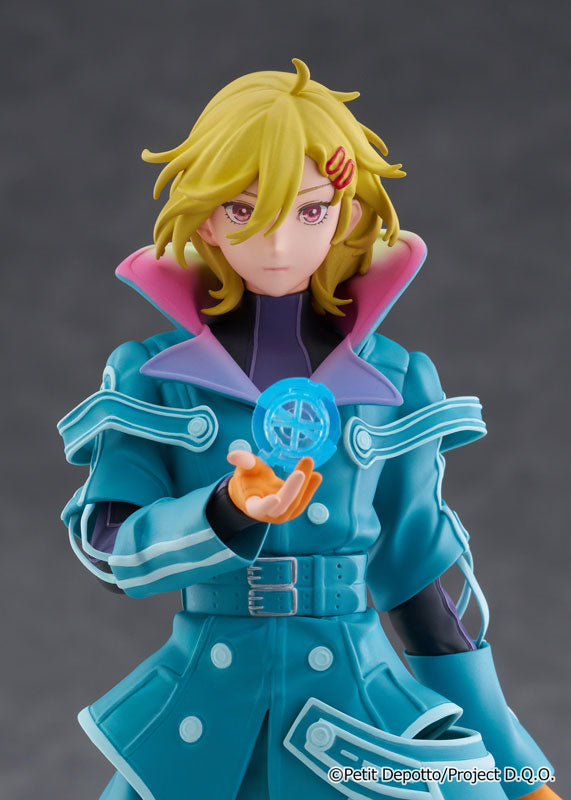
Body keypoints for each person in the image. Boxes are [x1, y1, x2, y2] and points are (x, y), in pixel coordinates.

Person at [58, 59, 561, 800]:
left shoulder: (393, 380)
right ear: (204, 217)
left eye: (311, 212)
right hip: (206, 708)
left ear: (348, 215)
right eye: (243, 210)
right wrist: (225, 510)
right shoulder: (153, 376)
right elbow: (110, 551)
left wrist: (518, 770)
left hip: (360, 711)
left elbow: (417, 587)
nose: (278, 245)